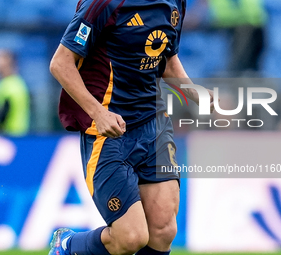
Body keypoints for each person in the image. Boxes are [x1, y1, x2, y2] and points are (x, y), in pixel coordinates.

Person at [48, 0, 215, 254]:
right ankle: (68, 245)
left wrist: (196, 93)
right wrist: (98, 113)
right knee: (131, 237)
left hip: (154, 124)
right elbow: (60, 63)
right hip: (110, 132)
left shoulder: (175, 3)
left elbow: (167, 61)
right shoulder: (104, 3)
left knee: (163, 231)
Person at [0, 49, 30, 136]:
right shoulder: (7, 84)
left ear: (8, 62)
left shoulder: (11, 86)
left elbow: (0, 115)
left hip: (10, 136)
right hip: (14, 136)